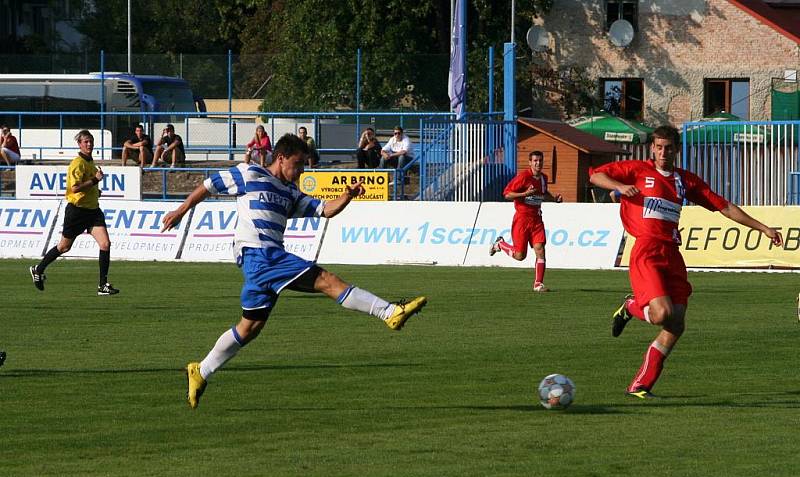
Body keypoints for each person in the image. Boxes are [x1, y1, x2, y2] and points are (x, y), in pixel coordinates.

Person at [160, 133, 427, 408]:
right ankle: (389, 312)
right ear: (281, 158)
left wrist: (346, 196)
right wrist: (181, 211)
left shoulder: (289, 192)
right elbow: (208, 185)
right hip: (259, 254)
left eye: (304, 166)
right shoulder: (248, 173)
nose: (300, 171)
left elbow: (325, 210)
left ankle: (201, 370)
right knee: (325, 279)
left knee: (250, 327)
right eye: (297, 164)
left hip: (266, 260)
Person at [589, 125, 783, 399]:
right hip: (647, 251)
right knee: (662, 314)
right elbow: (596, 175)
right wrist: (619, 186)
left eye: (668, 147)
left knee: (676, 323)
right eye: (658, 147)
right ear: (652, 148)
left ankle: (640, 386)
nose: (663, 152)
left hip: (672, 253)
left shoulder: (685, 180)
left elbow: (723, 206)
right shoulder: (637, 169)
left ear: (677, 149)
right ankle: (630, 306)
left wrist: (762, 227)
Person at [29, 130, 120, 296]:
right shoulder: (77, 163)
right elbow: (75, 188)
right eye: (85, 141)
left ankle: (102, 285)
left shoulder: (90, 161)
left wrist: (95, 191)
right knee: (64, 247)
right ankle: (38, 269)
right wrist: (95, 180)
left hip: (93, 211)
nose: (89, 144)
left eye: (91, 141)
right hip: (77, 212)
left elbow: (86, 187)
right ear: (79, 144)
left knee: (105, 244)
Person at [489, 150, 562, 292]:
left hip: (536, 219)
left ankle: (538, 284)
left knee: (540, 249)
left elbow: (543, 193)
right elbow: (507, 194)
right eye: (535, 161)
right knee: (520, 255)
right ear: (530, 163)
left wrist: (554, 199)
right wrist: (524, 194)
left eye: (540, 160)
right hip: (522, 219)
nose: (538, 163)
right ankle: (500, 244)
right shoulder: (523, 177)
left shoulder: (543, 178)